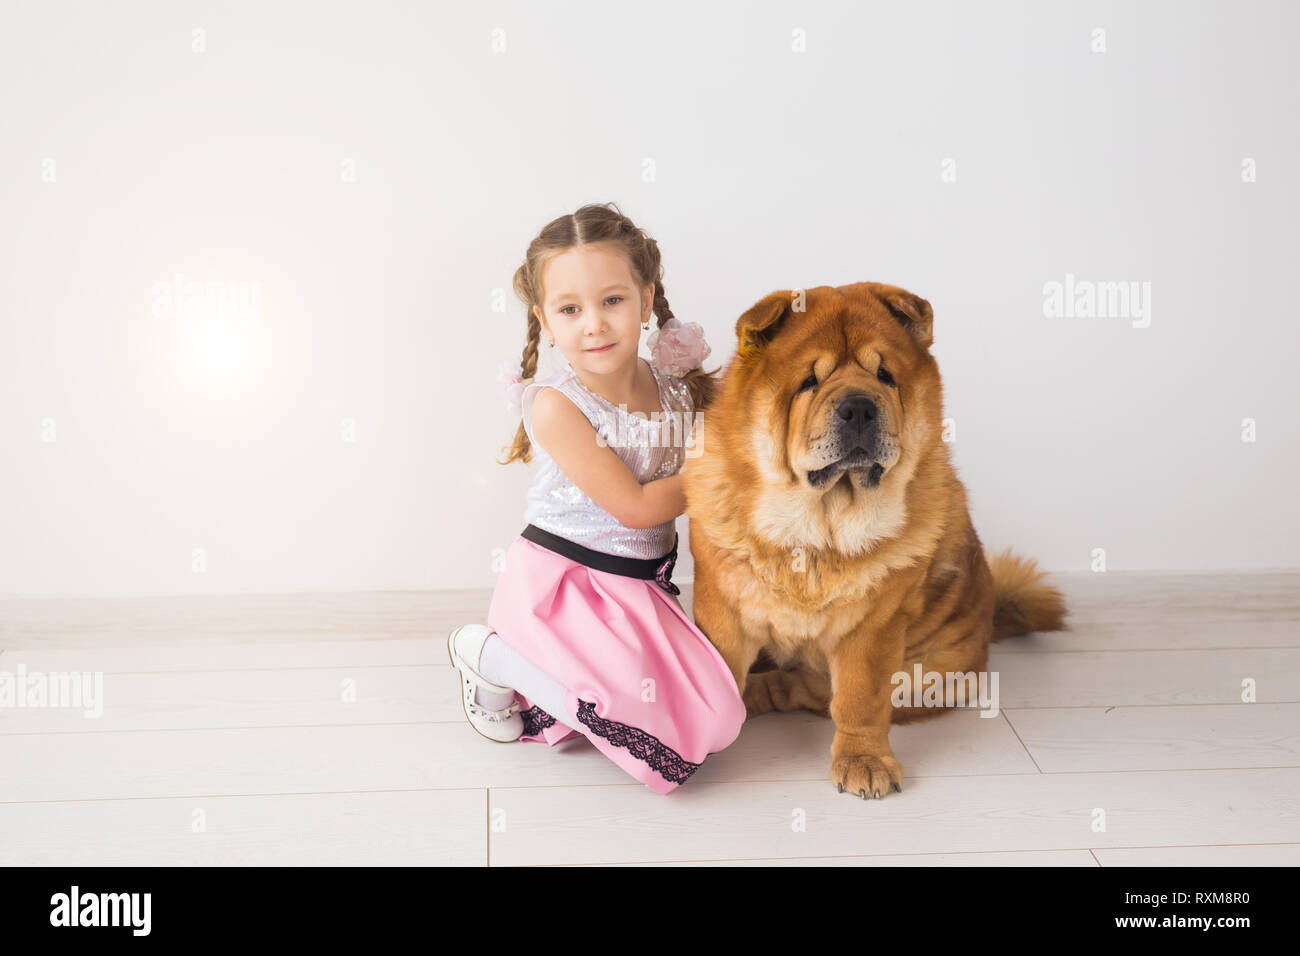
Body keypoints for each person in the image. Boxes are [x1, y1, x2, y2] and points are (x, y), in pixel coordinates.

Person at [447, 201, 746, 795]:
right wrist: (733, 467)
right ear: (545, 319)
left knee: (720, 718)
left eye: (612, 300)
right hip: (567, 587)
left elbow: (741, 415)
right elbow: (635, 508)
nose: (594, 324)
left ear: (645, 296)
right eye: (570, 308)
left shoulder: (676, 388)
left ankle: (567, 683)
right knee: (670, 748)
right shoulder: (558, 406)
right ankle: (494, 658)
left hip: (638, 588)